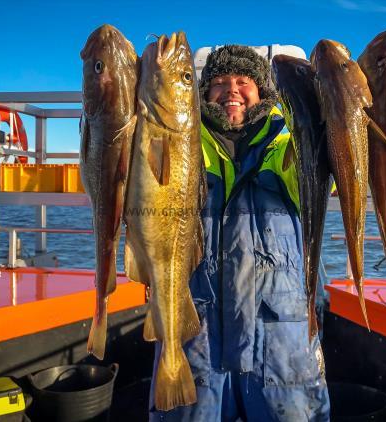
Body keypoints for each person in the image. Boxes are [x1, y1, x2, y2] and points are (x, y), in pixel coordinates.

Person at [150, 45, 330, 421]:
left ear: (263, 92)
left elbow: (328, 175)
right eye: (219, 82)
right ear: (202, 94)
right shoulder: (180, 146)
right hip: (196, 334)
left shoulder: (290, 144)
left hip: (281, 339)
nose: (231, 89)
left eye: (243, 81)